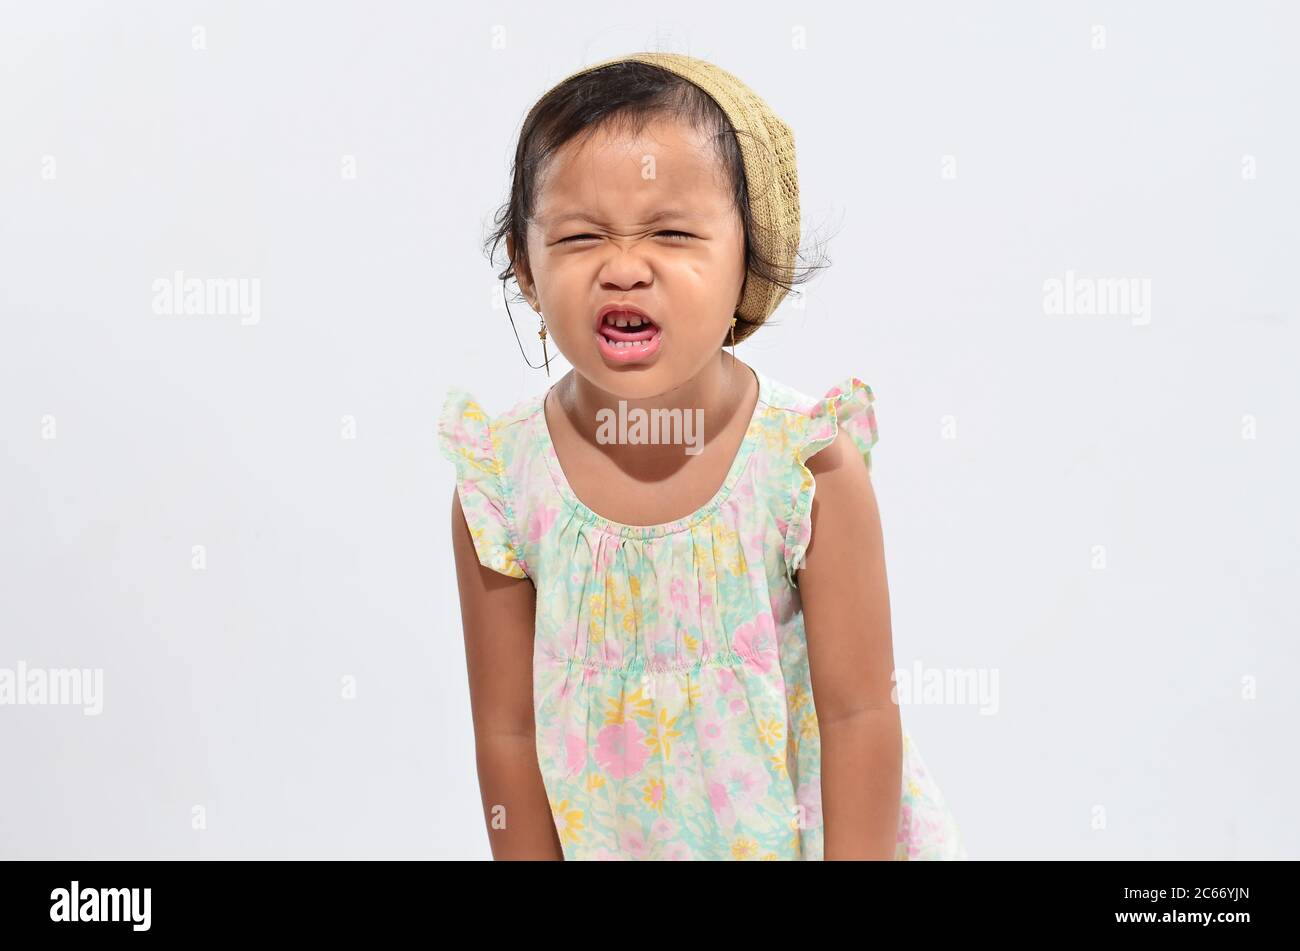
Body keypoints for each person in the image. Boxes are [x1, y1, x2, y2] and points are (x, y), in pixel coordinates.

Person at [439, 51, 966, 860]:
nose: (623, 267)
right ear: (526, 268)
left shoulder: (807, 470)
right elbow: (507, 733)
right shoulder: (504, 489)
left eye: (673, 232)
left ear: (748, 255)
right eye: (580, 237)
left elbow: (861, 713)